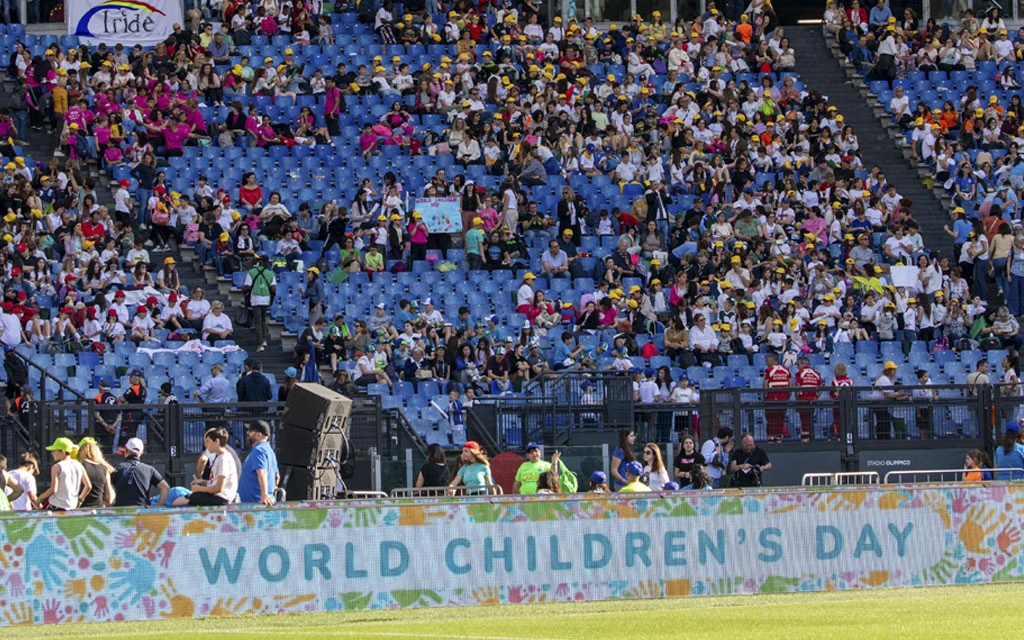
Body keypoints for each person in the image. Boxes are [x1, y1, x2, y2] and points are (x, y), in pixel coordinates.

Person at [176, 427, 239, 506]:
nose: (205, 445)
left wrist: (199, 489)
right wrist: (205, 482)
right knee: (181, 500)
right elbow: (216, 482)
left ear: (217, 441)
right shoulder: (219, 457)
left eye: (208, 441)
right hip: (218, 496)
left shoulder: (224, 459)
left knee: (181, 502)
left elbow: (219, 488)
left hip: (222, 498)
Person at [112, 437, 170, 507]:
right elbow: (165, 487)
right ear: (141, 453)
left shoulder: (117, 468)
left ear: (126, 450)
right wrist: (158, 507)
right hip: (143, 512)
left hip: (120, 512)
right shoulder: (150, 469)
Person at [36, 437, 91, 511]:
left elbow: (53, 489)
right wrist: (80, 501)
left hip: (56, 506)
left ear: (62, 452)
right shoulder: (79, 465)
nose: (52, 453)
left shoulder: (57, 467)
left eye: (54, 451)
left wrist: (39, 499)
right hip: (72, 507)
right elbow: (88, 486)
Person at [238, 421, 279, 505]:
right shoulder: (270, 451)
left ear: (258, 435)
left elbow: (262, 472)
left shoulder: (258, 450)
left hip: (256, 505)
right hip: (259, 504)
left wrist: (264, 495)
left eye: (250, 431)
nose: (247, 433)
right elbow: (277, 477)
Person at [243, 254, 276, 352]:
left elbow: (247, 286)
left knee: (257, 321)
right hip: (266, 299)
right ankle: (264, 339)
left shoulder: (252, 272)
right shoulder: (270, 273)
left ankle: (260, 344)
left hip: (256, 298)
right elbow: (274, 288)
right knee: (263, 320)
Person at [76, 436, 115, 508]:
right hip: (98, 510)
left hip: (81, 509)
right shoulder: (105, 468)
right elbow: (109, 498)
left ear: (81, 451)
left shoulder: (79, 466)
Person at [871, 361, 905, 440]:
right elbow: (888, 394)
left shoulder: (889, 380)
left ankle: (884, 438)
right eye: (893, 369)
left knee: (884, 421)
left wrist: (897, 395)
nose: (895, 371)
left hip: (882, 403)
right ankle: (882, 439)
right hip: (878, 403)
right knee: (883, 422)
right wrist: (898, 394)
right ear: (889, 370)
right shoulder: (884, 379)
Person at [763, 353, 791, 442]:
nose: (766, 363)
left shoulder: (769, 370)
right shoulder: (786, 370)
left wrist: (765, 396)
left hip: (772, 398)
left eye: (767, 361)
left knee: (771, 419)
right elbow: (790, 384)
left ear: (771, 361)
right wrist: (788, 396)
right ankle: (779, 437)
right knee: (780, 419)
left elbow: (765, 384)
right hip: (784, 398)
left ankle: (771, 437)